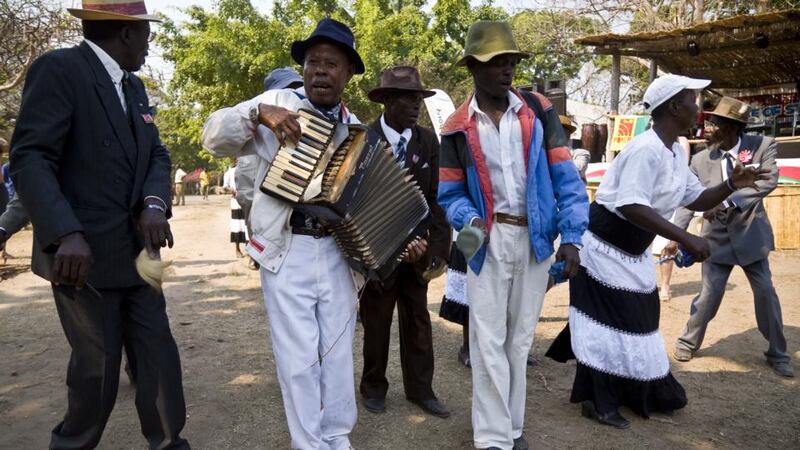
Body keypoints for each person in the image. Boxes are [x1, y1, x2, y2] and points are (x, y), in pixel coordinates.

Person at [9, 1, 190, 448]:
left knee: (159, 361)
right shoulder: (60, 69)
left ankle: (169, 443)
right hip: (81, 260)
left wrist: (153, 203)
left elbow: (156, 154)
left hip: (137, 256)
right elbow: (30, 158)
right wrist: (64, 233)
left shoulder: (135, 87)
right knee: (98, 373)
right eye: (145, 33)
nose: (150, 43)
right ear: (126, 34)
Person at [545, 75, 770, 430]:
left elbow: (695, 197)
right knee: (604, 326)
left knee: (639, 321)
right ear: (674, 107)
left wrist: (731, 183)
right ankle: (595, 399)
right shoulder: (644, 149)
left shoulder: (675, 150)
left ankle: (629, 393)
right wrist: (685, 237)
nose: (699, 109)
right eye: (693, 101)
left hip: (630, 251)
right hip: (602, 249)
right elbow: (632, 205)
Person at [202, 18, 366, 449]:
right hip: (288, 248)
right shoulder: (277, 101)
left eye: (331, 64)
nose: (319, 72)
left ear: (349, 73)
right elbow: (212, 137)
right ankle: (308, 444)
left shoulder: (357, 128)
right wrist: (256, 114)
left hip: (338, 252)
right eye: (313, 62)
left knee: (335, 352)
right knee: (297, 361)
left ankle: (337, 437)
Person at [438, 21, 590, 450]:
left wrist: (573, 238)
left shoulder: (538, 110)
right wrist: (470, 220)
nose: (506, 70)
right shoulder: (455, 127)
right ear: (473, 66)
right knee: (488, 338)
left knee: (520, 338)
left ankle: (513, 427)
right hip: (486, 243)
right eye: (495, 62)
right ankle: (491, 438)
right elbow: (449, 193)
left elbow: (566, 177)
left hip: (536, 240)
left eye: (511, 62)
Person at [671, 96, 793, 377]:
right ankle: (687, 342)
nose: (709, 127)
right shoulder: (701, 158)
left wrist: (725, 202)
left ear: (733, 127)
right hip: (714, 239)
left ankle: (778, 353)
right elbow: (688, 198)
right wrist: (677, 235)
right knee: (709, 295)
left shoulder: (762, 146)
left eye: (715, 123)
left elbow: (767, 180)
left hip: (751, 235)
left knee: (765, 293)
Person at [358, 66, 451, 418]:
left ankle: (421, 391)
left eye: (418, 98)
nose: (415, 105)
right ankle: (373, 387)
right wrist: (369, 249)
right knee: (376, 325)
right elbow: (354, 202)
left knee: (417, 324)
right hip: (377, 253)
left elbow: (438, 200)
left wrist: (433, 251)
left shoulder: (427, 142)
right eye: (407, 98)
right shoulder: (363, 140)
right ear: (386, 101)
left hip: (417, 252)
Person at [234, 66, 304, 270]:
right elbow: (247, 193)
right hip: (274, 234)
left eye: (296, 90)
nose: (292, 97)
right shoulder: (259, 133)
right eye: (287, 91)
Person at [223, 160, 248, 258]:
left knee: (248, 225)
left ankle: (250, 250)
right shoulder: (230, 172)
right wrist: (232, 190)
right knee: (237, 225)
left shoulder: (249, 169)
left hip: (248, 201)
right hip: (236, 201)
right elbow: (225, 187)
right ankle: (237, 249)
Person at [559, 115, 591, 183]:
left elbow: (577, 169)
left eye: (562, 131)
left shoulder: (581, 154)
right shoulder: (544, 153)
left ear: (568, 134)